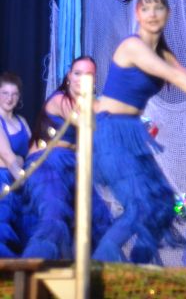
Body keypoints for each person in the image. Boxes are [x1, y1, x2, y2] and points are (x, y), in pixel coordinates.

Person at [93, 0, 186, 263]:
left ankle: (140, 266)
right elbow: (177, 79)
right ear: (137, 14)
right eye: (145, 8)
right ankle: (101, 262)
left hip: (131, 132)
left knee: (162, 205)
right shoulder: (132, 46)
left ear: (168, 14)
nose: (152, 14)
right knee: (139, 205)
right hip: (111, 132)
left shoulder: (163, 53)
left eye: (158, 8)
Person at [21, 56, 112, 259]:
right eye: (77, 73)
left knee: (98, 217)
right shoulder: (59, 100)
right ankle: (33, 270)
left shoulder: (94, 104)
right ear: (69, 76)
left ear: (94, 79)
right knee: (54, 213)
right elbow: (88, 125)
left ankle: (104, 273)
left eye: (88, 75)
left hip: (72, 165)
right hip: (45, 164)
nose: (81, 79)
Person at [0, 73, 30, 256]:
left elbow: (31, 154)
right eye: (4, 93)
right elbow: (9, 159)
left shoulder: (22, 122)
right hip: (4, 183)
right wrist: (29, 186)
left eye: (14, 94)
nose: (9, 98)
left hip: (19, 181)